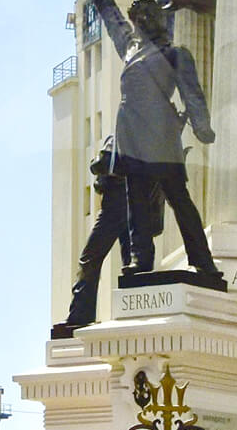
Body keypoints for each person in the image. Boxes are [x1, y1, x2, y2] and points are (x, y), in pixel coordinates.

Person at [86, 0, 222, 279]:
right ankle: (140, 259)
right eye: (140, 16)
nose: (146, 20)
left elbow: (192, 94)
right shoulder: (131, 49)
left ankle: (203, 260)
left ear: (159, 20)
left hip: (161, 138)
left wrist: (202, 126)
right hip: (131, 138)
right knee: (136, 204)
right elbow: (114, 24)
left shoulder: (175, 54)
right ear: (136, 22)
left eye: (151, 14)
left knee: (179, 201)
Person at [57, 138, 163, 335]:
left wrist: (99, 164)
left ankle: (81, 315)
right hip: (130, 203)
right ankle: (137, 311)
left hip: (117, 203)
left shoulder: (121, 137)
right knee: (131, 261)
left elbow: (100, 165)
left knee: (90, 258)